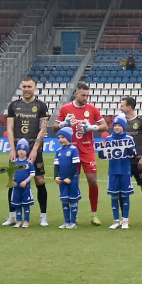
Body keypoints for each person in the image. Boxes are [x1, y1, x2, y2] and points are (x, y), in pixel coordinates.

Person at [55, 83, 107, 226]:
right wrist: (63, 124)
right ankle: (74, 215)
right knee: (72, 181)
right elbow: (54, 128)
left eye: (87, 95)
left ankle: (94, 214)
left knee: (92, 180)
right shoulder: (66, 109)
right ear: (76, 94)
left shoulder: (92, 108)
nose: (85, 98)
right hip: (71, 151)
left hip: (87, 150)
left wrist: (92, 127)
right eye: (83, 95)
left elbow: (105, 126)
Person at [6, 77, 50, 227]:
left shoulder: (41, 106)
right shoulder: (13, 105)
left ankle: (43, 216)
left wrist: (35, 150)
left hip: (34, 150)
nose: (26, 89)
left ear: (35, 88)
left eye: (29, 87)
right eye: (24, 86)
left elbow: (43, 129)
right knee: (13, 181)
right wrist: (12, 149)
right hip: (17, 152)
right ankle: (12, 216)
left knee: (39, 180)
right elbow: (9, 129)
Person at [120, 97, 142, 227]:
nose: (120, 107)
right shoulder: (121, 122)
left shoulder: (141, 122)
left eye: (122, 105)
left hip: (138, 161)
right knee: (123, 189)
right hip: (124, 161)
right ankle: (124, 218)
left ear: (129, 107)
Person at [98, 115, 136, 229]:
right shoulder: (109, 139)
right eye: (115, 125)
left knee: (125, 195)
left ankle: (124, 220)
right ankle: (115, 220)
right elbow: (104, 155)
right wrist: (101, 153)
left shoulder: (129, 139)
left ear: (123, 127)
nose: (117, 128)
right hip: (113, 171)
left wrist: (130, 151)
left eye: (119, 125)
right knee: (114, 196)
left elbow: (133, 154)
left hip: (125, 170)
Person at [54, 127, 81, 229]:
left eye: (63, 137)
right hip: (62, 180)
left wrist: (69, 178)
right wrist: (56, 177)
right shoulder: (58, 151)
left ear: (68, 138)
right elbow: (56, 165)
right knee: (64, 200)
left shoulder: (73, 149)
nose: (61, 140)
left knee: (73, 200)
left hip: (72, 180)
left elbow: (75, 165)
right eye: (59, 138)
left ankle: (73, 222)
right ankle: (66, 221)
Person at [10, 139, 35, 228]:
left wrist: (25, 181)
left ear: (27, 151)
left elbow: (32, 173)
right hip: (16, 187)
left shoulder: (29, 162)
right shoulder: (14, 162)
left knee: (26, 204)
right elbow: (11, 173)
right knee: (17, 205)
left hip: (26, 187)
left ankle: (26, 221)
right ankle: (19, 221)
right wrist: (11, 178)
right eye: (19, 149)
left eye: (24, 150)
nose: (21, 151)